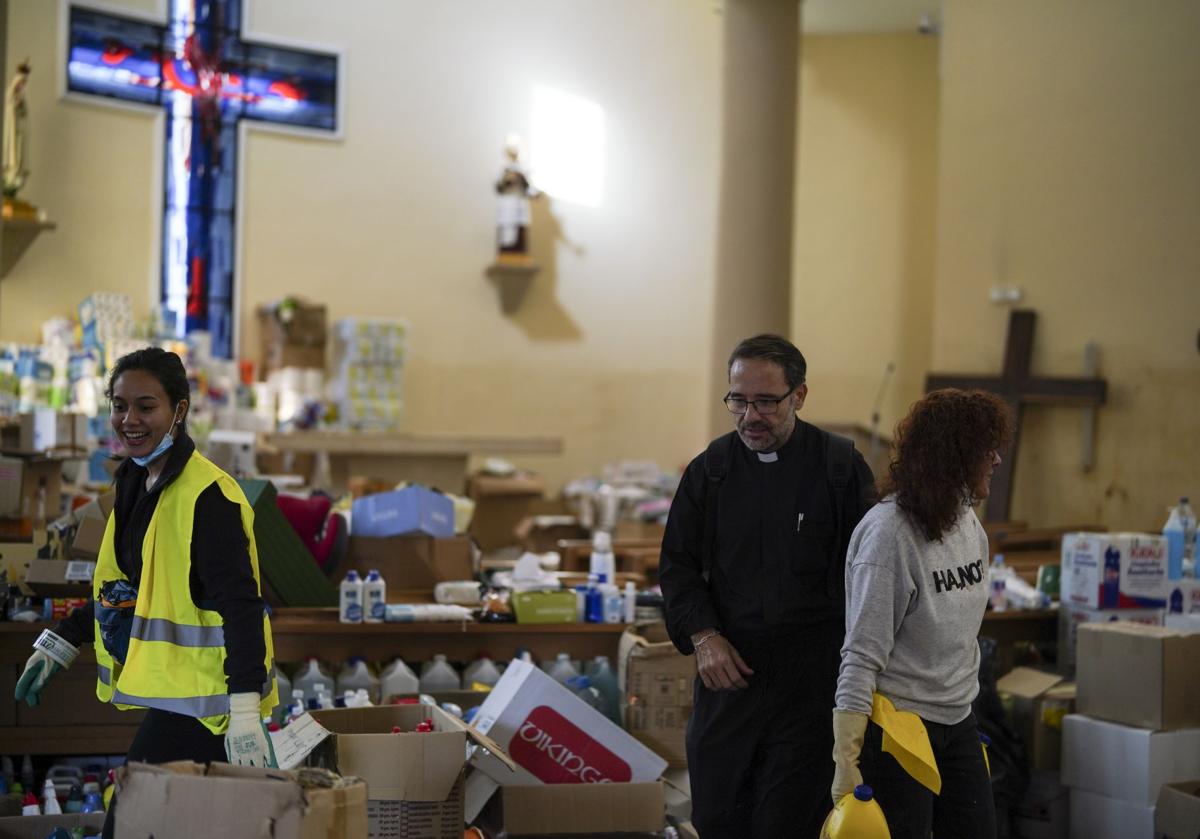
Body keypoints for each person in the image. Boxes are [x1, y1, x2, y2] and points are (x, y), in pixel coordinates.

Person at [13, 347, 277, 836]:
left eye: (145, 406)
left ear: (179, 410)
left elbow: (242, 608)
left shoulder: (208, 498)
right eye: (119, 405)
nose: (128, 419)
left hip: (212, 713)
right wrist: (63, 640)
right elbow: (129, 590)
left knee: (127, 826)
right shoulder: (136, 481)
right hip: (174, 702)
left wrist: (244, 709)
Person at [659, 333, 876, 837]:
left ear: (799, 396)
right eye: (738, 400)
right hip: (728, 678)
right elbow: (677, 568)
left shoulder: (840, 469)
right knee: (717, 819)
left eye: (766, 402)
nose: (749, 416)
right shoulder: (709, 471)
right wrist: (704, 637)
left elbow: (871, 573)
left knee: (786, 824)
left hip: (810, 685)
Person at [831, 388, 1013, 839]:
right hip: (899, 728)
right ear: (954, 456)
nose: (996, 460)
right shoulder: (889, 536)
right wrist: (846, 758)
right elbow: (861, 653)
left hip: (959, 718)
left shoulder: (967, 521)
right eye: (986, 450)